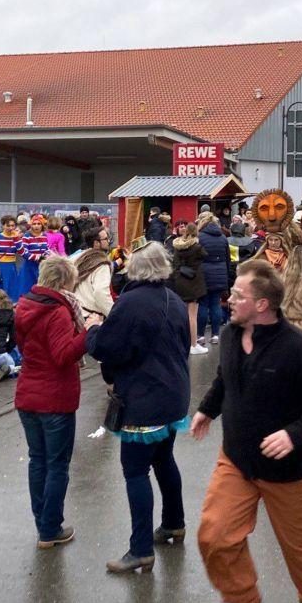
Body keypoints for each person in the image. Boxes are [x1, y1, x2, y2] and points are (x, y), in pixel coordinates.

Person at [192, 259, 302, 603]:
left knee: (299, 550)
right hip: (237, 460)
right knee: (214, 537)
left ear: (262, 305)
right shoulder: (231, 334)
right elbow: (224, 378)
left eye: (237, 294)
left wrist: (295, 435)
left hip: (287, 472)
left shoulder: (298, 349)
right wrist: (207, 410)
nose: (228, 299)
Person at [86, 243, 190, 573]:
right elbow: (185, 343)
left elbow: (107, 348)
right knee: (163, 459)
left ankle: (141, 548)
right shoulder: (173, 299)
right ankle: (174, 522)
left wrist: (91, 329)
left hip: (145, 398)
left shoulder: (130, 302)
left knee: (135, 471)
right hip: (174, 393)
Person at [14, 255, 99, 549]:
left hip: (27, 394)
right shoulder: (59, 312)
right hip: (55, 397)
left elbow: (24, 347)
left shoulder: (26, 304)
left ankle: (42, 523)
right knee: (57, 464)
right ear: (66, 281)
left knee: (37, 460)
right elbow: (64, 355)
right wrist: (89, 331)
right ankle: (50, 529)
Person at [171, 223, 209, 354]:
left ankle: (182, 343)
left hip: (180, 281)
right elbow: (205, 255)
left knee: (181, 314)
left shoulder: (176, 246)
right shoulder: (197, 247)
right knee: (192, 316)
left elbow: (174, 264)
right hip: (193, 282)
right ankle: (193, 344)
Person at [197, 213, 231, 345]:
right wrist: (226, 276)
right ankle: (215, 335)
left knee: (203, 305)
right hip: (220, 274)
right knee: (216, 304)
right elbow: (227, 259)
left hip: (204, 274)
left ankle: (200, 335)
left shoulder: (200, 237)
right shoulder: (223, 238)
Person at [73, 228, 114, 318]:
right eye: (105, 239)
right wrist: (113, 315)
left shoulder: (80, 257)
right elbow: (100, 292)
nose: (108, 241)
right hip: (92, 317)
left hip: (77, 313)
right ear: (96, 243)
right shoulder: (102, 265)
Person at [18, 214, 51, 298]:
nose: (36, 226)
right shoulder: (26, 236)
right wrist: (37, 257)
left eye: (39, 224)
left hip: (42, 266)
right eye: (34, 224)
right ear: (31, 225)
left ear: (42, 225)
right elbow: (24, 252)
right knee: (27, 288)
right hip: (29, 266)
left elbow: (47, 249)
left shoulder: (45, 236)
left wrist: (46, 256)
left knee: (41, 287)